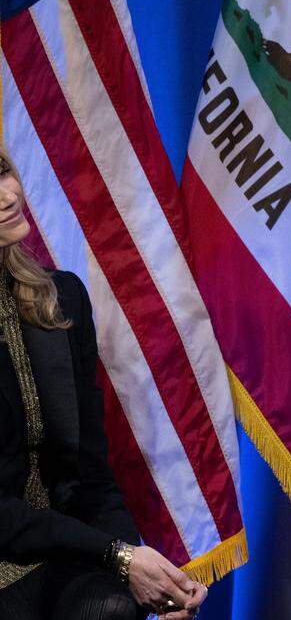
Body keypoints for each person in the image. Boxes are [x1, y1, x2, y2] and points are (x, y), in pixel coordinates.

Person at [0, 149, 206, 620]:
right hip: (17, 545)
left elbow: (89, 474)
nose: (9, 195)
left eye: (4, 172)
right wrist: (118, 557)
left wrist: (145, 577)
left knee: (113, 608)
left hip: (58, 549)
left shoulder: (61, 297)